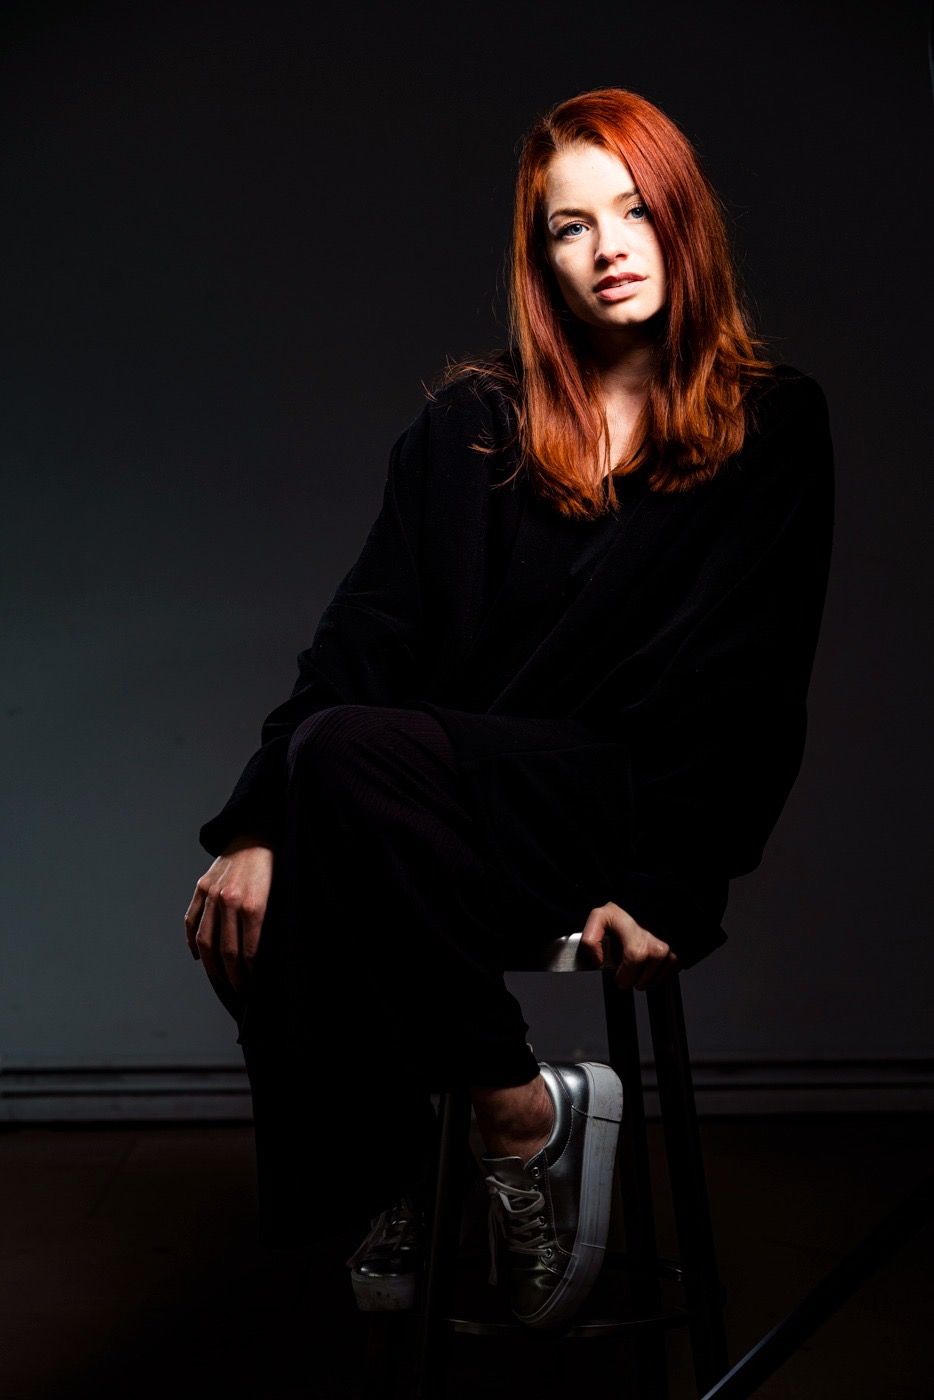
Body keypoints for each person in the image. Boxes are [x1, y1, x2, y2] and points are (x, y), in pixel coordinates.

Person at [183, 86, 835, 1334]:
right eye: (569, 227)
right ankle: (454, 1136)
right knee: (258, 888)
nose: (608, 249)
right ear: (539, 257)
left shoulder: (771, 420)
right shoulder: (470, 424)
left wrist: (669, 884)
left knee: (339, 764)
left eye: (635, 212)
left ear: (684, 221)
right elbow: (361, 641)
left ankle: (496, 1118)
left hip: (610, 813)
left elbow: (753, 685)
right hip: (436, 818)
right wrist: (257, 825)